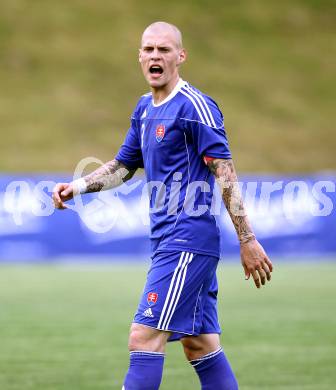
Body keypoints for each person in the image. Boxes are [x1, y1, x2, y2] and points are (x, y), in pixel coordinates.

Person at [53, 21, 273, 390]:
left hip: (187, 240)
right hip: (168, 241)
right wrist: (77, 186)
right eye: (149, 49)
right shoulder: (143, 109)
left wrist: (247, 239)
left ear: (180, 56)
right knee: (199, 344)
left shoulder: (195, 107)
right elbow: (124, 166)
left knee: (144, 337)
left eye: (164, 49)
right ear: (139, 56)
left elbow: (226, 174)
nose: (156, 55)